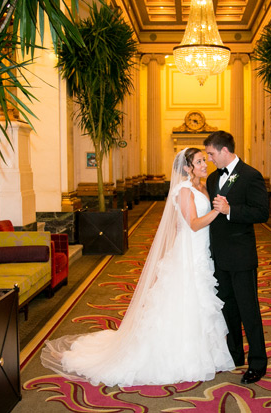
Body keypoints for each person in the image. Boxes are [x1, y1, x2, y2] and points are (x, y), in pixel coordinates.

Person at [41, 148, 235, 387]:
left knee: (200, 303)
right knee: (187, 302)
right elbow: (193, 224)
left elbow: (178, 227)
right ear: (187, 167)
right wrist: (217, 210)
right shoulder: (184, 191)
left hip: (200, 252)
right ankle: (176, 356)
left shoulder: (202, 186)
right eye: (199, 161)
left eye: (205, 160)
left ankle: (203, 354)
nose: (205, 164)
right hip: (190, 254)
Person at [204, 131, 269, 384]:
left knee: (248, 310)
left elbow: (261, 212)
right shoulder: (212, 179)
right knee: (227, 309)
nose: (209, 159)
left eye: (211, 154)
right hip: (218, 257)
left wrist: (232, 210)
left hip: (242, 257)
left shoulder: (251, 175)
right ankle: (234, 354)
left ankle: (258, 362)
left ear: (224, 151)